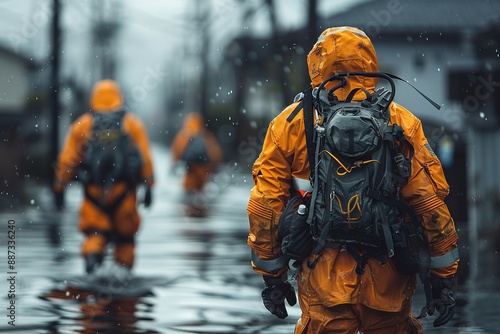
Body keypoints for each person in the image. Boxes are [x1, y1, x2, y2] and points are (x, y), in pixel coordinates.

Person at [246, 26, 459, 333]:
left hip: (322, 279)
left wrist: (273, 276)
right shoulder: (400, 120)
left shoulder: (290, 123)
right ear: (369, 61)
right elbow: (429, 204)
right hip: (389, 275)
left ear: (316, 63)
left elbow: (264, 207)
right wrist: (443, 279)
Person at [53, 79, 154, 274]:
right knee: (125, 241)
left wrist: (60, 188)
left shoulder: (83, 125)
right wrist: (149, 186)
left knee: (94, 235)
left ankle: (93, 266)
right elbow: (146, 158)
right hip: (124, 193)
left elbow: (67, 160)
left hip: (94, 193)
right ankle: (122, 283)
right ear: (119, 97)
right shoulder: (132, 124)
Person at [171, 112, 222, 210]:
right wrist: (211, 167)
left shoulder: (182, 136)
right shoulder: (206, 136)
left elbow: (176, 154)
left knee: (188, 201)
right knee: (201, 200)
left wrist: (177, 163)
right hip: (203, 175)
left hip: (189, 174)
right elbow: (216, 155)